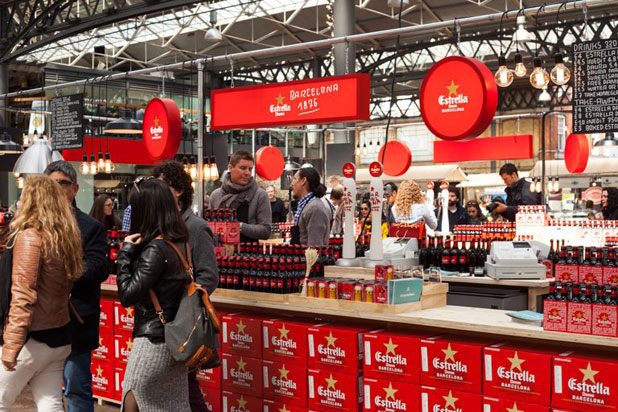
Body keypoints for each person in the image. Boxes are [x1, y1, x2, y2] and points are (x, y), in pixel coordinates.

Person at [0, 176, 84, 411]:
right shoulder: (64, 238)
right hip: (58, 335)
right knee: (50, 404)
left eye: (24, 195)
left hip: (32, 338)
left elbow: (23, 295)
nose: (19, 200)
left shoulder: (30, 237)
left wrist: (11, 344)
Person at [116, 178, 192, 412]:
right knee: (173, 405)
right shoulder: (180, 243)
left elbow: (127, 295)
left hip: (153, 342)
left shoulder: (155, 250)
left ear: (144, 209)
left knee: (133, 398)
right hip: (176, 340)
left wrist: (125, 253)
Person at [152, 160, 219, 412]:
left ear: (178, 190)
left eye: (161, 186)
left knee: (186, 390)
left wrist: (182, 310)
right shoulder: (161, 225)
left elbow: (208, 277)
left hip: (182, 326)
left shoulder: (195, 227)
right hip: (163, 325)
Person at [44, 161, 108, 412]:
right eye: (51, 184)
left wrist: (59, 270)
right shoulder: (34, 224)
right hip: (41, 319)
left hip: (76, 319)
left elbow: (98, 269)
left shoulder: (91, 226)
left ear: (75, 189)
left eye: (63, 183)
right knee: (46, 388)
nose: (57, 189)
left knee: (76, 387)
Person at [209, 151, 271, 242]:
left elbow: (266, 231)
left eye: (250, 169)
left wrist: (238, 226)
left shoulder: (260, 195)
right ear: (230, 168)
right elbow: (209, 227)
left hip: (248, 253)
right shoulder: (216, 196)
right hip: (220, 252)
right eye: (243, 168)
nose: (247, 173)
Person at [290, 167, 332, 246]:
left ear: (303, 181)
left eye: (295, 179)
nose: (292, 183)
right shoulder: (307, 205)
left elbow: (315, 246)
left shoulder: (315, 208)